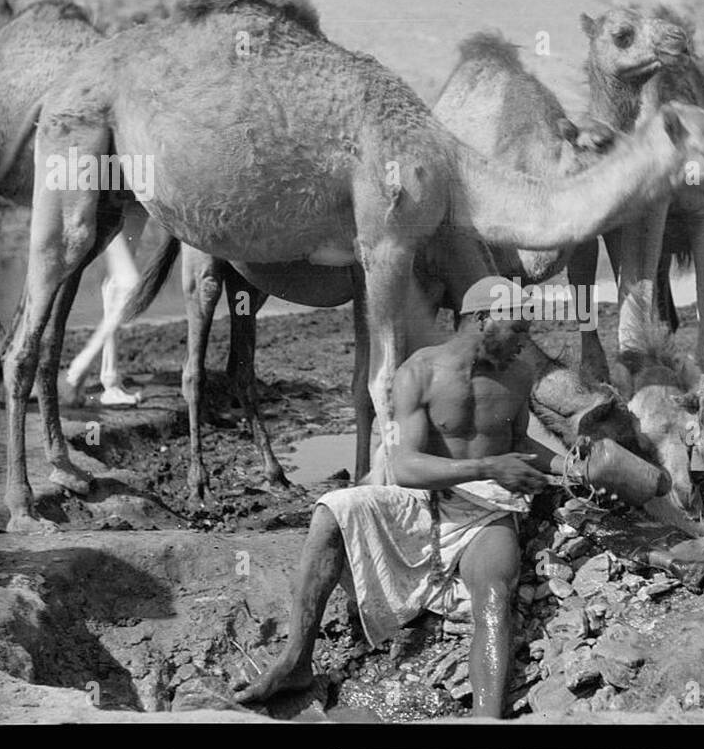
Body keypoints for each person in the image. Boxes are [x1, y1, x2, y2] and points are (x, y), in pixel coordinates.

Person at [234, 276, 563, 717]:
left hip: (486, 509)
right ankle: (296, 661)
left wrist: (568, 465)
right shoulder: (419, 372)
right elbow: (405, 467)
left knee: (494, 595)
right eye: (521, 330)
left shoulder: (518, 375)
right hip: (425, 496)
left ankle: (487, 721)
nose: (527, 344)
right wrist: (487, 466)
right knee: (333, 509)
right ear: (485, 319)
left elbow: (520, 440)